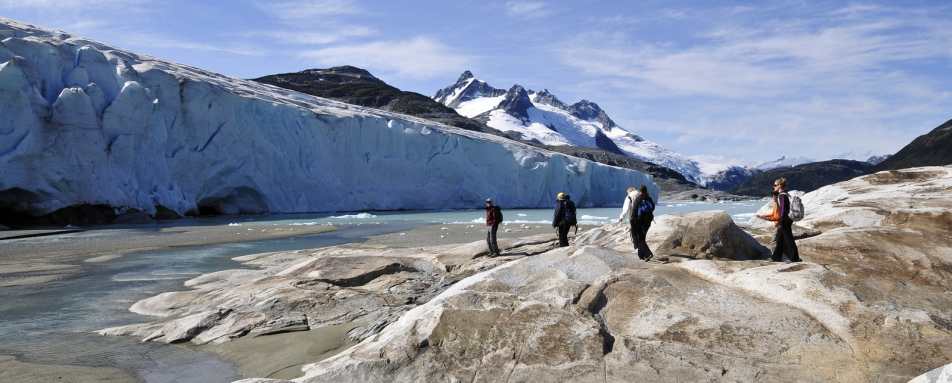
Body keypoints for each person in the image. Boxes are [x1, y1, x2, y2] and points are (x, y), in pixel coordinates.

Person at [757, 178, 802, 263]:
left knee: (788, 239)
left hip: (784, 220)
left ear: (780, 185)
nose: (773, 187)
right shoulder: (785, 194)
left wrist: (780, 221)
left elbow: (783, 210)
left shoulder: (782, 195)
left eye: (775, 185)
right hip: (787, 219)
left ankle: (794, 258)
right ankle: (776, 257)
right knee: (780, 239)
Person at [619, 185, 654, 260]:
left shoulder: (631, 196)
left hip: (637, 220)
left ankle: (647, 254)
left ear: (629, 191)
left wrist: (622, 217)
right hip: (648, 220)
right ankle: (641, 255)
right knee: (642, 237)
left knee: (638, 238)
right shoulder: (647, 197)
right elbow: (653, 207)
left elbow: (627, 209)